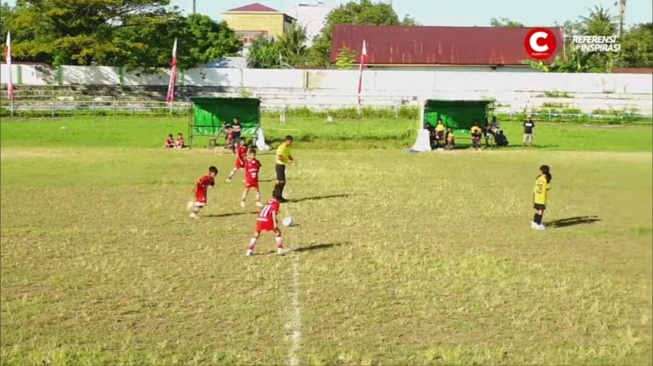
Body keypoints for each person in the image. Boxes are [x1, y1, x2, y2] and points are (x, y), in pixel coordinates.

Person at [274, 135, 294, 202]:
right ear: (287, 141)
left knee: (281, 181)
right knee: (281, 181)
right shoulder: (281, 147)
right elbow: (279, 156)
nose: (291, 143)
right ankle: (276, 196)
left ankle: (279, 196)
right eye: (290, 141)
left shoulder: (287, 147)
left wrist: (292, 159)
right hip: (279, 165)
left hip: (282, 165)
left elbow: (288, 155)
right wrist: (287, 160)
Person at [532, 165, 552, 230]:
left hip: (536, 195)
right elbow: (548, 187)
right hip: (542, 197)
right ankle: (538, 224)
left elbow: (535, 186)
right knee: (541, 210)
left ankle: (534, 222)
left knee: (537, 210)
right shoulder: (546, 179)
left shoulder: (538, 178)